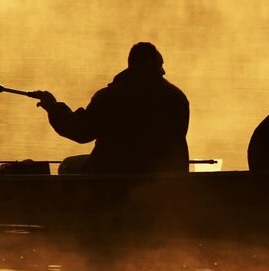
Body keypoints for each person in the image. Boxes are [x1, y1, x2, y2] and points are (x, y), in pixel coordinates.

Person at [31, 42, 189, 174]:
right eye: (161, 65)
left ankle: (82, 208)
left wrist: (53, 107)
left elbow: (80, 131)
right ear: (150, 64)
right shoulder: (177, 97)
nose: (164, 71)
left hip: (114, 174)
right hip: (167, 178)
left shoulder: (110, 96)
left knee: (67, 165)